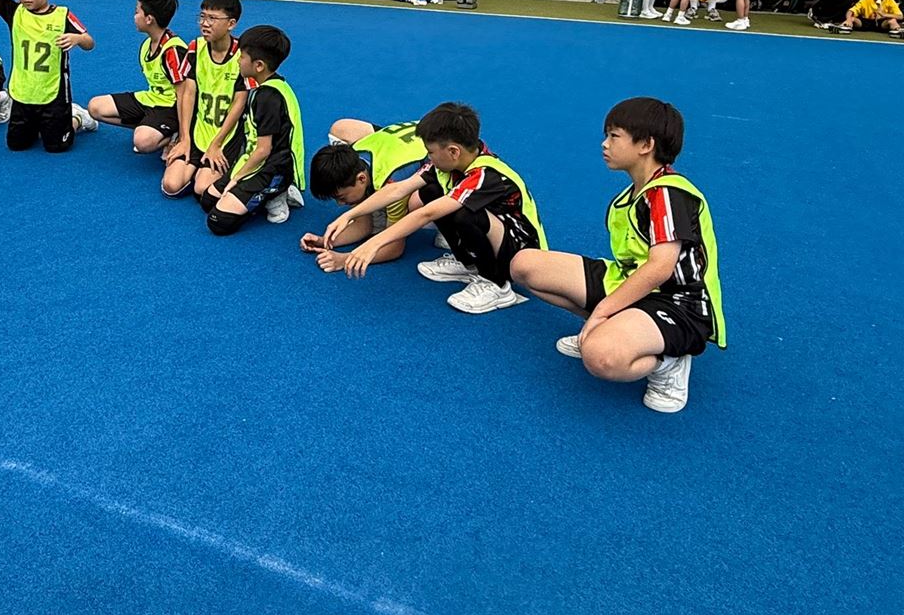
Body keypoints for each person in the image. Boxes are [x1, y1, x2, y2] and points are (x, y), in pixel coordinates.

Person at [511, 98, 725, 414]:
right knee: (524, 265)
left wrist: (601, 311)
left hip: (679, 303)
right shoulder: (632, 193)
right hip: (630, 280)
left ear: (646, 145)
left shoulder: (668, 194)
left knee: (600, 358)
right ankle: (616, 330)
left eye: (614, 136)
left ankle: (668, 363)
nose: (605, 144)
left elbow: (660, 268)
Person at [333, 102, 546, 315]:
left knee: (464, 214)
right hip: (497, 232)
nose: (428, 157)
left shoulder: (484, 175)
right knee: (431, 191)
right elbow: (398, 189)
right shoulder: (451, 163)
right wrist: (350, 214)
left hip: (520, 250)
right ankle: (469, 263)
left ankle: (497, 284)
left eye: (431, 152)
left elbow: (427, 214)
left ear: (453, 151)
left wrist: (374, 243)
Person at [198, 24, 305, 233]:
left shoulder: (268, 97)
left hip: (273, 168)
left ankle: (277, 193)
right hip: (254, 158)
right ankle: (257, 195)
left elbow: (264, 150)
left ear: (258, 66)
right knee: (207, 201)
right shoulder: (267, 86)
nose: (238, 60)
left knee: (218, 222)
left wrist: (236, 179)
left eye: (242, 56)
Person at [0, 0, 97, 152]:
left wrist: (78, 39)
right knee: (16, 145)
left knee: (57, 147)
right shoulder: (16, 12)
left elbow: (89, 43)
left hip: (53, 92)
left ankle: (78, 118)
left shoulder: (62, 15)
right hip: (23, 92)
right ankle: (40, 124)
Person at [300, 119, 432, 273]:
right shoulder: (354, 157)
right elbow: (364, 225)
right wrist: (324, 241)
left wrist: (345, 259)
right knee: (340, 128)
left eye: (341, 197)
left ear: (362, 179)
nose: (340, 204)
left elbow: (395, 247)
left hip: (439, 149)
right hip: (410, 141)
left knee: (415, 203)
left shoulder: (392, 183)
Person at [161, 0, 250, 200]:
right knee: (171, 186)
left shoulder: (242, 56)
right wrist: (184, 138)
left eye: (212, 18)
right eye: (202, 17)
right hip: (198, 130)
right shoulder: (196, 47)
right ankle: (194, 163)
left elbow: (239, 105)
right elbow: (188, 94)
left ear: (231, 24)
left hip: (225, 136)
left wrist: (216, 145)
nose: (205, 24)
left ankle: (220, 167)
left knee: (202, 189)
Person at [86, 0, 189, 155]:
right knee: (95, 107)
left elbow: (185, 96)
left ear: (149, 19)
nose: (134, 16)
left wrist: (186, 137)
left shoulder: (173, 51)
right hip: (151, 98)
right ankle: (150, 127)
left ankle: (173, 135)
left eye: (137, 12)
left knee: (142, 143)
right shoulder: (147, 44)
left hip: (170, 107)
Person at [837, 0, 902, 37]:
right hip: (866, 22)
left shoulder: (890, 1)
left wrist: (884, 14)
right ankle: (844, 27)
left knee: (892, 21)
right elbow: (850, 11)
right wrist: (848, 19)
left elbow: (900, 16)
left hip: (882, 23)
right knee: (852, 18)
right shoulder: (865, 0)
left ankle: (897, 31)